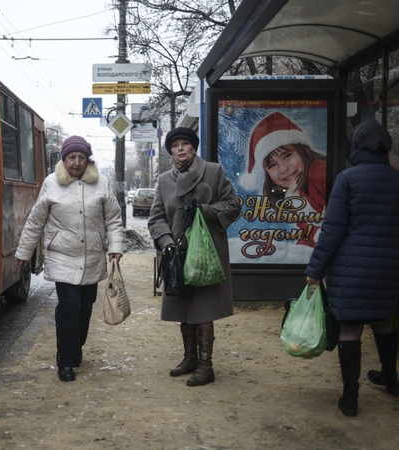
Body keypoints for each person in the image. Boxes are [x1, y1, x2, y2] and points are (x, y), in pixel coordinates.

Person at [306, 121, 399, 417]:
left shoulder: (348, 179)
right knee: (384, 321)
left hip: (351, 267)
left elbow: (332, 230)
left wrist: (315, 270)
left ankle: (350, 398)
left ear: (356, 146)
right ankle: (391, 378)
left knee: (350, 327)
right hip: (388, 267)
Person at [15, 135, 123, 382]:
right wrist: (24, 251)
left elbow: (113, 219)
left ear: (88, 159)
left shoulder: (102, 183)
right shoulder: (51, 183)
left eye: (81, 158)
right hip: (62, 256)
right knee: (69, 306)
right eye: (71, 157)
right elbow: (36, 220)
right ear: (63, 159)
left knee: (85, 309)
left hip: (93, 256)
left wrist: (115, 247)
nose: (76, 162)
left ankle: (74, 346)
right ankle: (66, 360)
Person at [148, 127, 240, 386]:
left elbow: (233, 205)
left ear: (193, 147)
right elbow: (156, 218)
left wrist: (206, 210)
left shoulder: (213, 171)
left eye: (184, 144)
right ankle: (189, 358)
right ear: (170, 152)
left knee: (203, 309)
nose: (180, 149)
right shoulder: (165, 180)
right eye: (175, 145)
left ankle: (206, 366)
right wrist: (166, 243)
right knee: (184, 307)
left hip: (207, 254)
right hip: (177, 254)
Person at [240, 112, 326, 246]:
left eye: (287, 156)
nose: (283, 168)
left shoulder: (318, 170)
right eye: (273, 165)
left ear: (303, 150)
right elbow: (306, 233)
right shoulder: (292, 196)